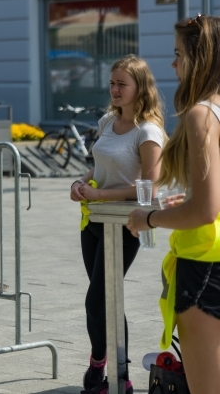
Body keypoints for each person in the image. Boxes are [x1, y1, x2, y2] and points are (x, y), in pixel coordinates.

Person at [127, 15, 220, 394]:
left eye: (179, 54)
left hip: (205, 265)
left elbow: (204, 212)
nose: (173, 64)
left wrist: (148, 218)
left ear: (201, 59)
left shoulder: (203, 115)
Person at [71, 54, 166, 394]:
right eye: (112, 83)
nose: (115, 89)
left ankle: (107, 368)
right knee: (107, 300)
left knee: (97, 301)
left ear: (140, 87)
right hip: (93, 221)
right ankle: (112, 370)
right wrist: (81, 182)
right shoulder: (108, 121)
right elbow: (100, 165)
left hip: (126, 225)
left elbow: (149, 189)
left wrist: (100, 195)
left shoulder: (148, 131)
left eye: (122, 84)